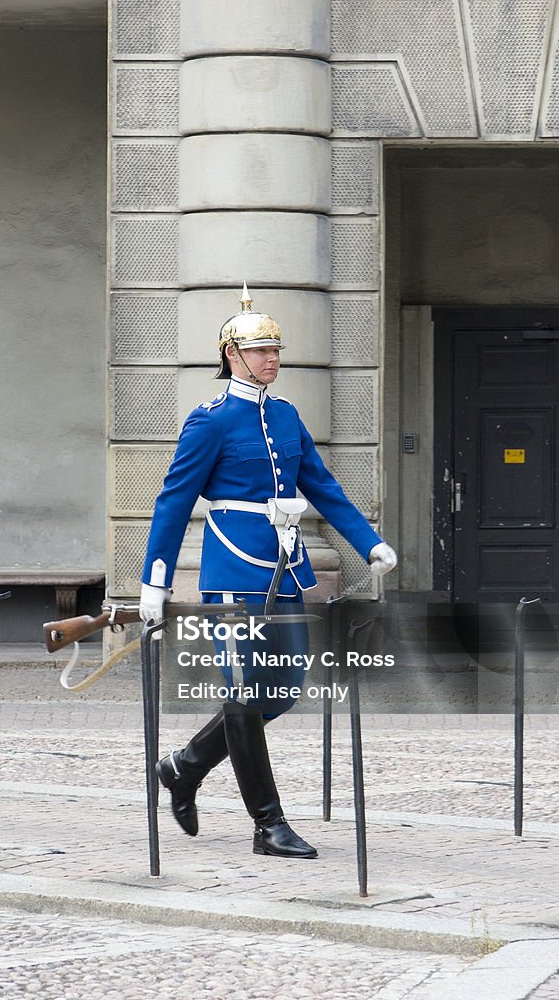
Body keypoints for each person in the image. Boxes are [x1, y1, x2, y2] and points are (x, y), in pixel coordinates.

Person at [139, 285, 397, 859]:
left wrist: (369, 542)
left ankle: (184, 765)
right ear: (232, 355)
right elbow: (174, 502)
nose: (272, 360)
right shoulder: (210, 420)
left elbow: (321, 486)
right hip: (234, 566)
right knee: (242, 695)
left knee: (282, 689)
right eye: (260, 351)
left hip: (286, 564)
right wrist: (154, 582)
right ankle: (268, 824)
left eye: (275, 350)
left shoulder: (284, 415)